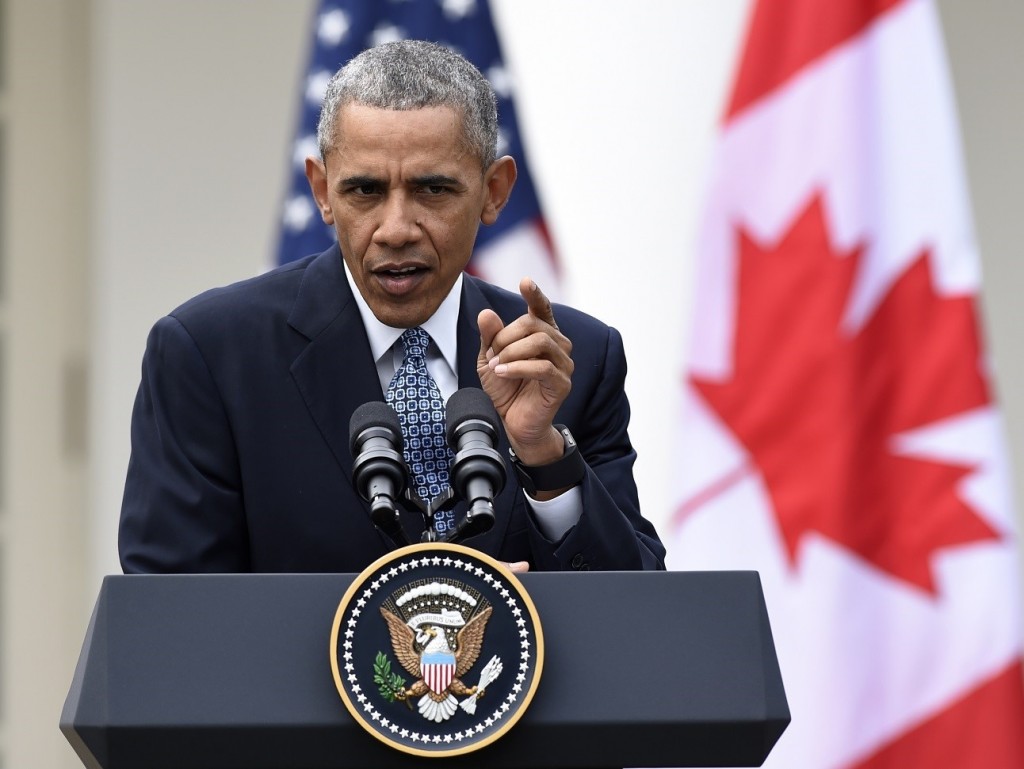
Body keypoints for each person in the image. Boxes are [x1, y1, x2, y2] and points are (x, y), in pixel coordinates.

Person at [118, 40, 665, 574]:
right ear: (322, 191)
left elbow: (640, 615)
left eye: (432, 190)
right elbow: (174, 624)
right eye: (364, 191)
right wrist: (424, 617)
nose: (396, 229)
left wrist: (544, 454)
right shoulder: (211, 357)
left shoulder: (572, 361)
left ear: (494, 191)